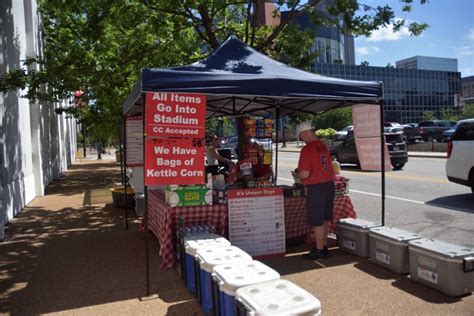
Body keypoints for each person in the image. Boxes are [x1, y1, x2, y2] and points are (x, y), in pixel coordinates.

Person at [293, 121, 336, 260]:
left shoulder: (307, 149)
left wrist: (297, 175)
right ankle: (323, 246)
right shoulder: (323, 146)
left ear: (306, 133)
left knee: (317, 220)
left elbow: (305, 174)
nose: (302, 140)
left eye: (301, 136)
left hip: (316, 187)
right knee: (323, 219)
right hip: (329, 185)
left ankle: (319, 250)